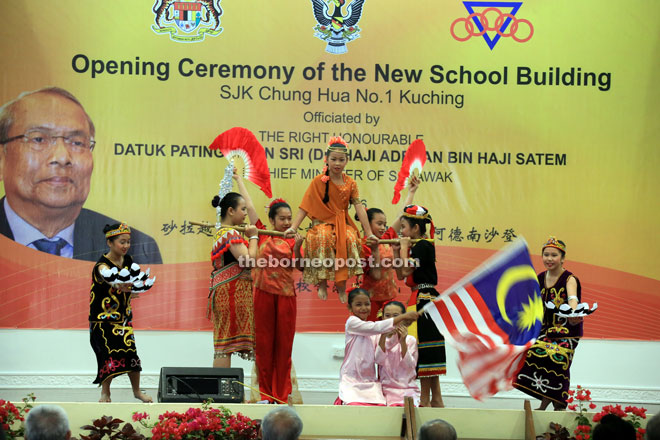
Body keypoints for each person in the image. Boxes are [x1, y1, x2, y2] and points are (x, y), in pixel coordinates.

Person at [0, 87, 161, 263]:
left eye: (77, 143)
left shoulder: (135, 249)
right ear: (2, 159)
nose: (62, 157)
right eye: (39, 139)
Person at [234, 169, 304, 403]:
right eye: (281, 218)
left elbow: (301, 266)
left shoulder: (294, 239)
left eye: (288, 218)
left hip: (286, 298)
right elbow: (250, 206)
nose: (286, 222)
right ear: (272, 220)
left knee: (284, 349)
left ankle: (282, 395)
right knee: (264, 347)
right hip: (262, 295)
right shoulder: (262, 234)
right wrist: (239, 181)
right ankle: (265, 394)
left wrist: (297, 246)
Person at [285, 136, 375, 303]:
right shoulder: (318, 181)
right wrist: (294, 228)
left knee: (349, 238)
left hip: (342, 223)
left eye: (341, 160)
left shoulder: (351, 183)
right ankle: (322, 282)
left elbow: (358, 207)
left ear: (347, 161)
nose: (337, 163)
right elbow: (305, 206)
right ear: (327, 159)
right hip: (321, 223)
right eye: (333, 159)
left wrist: (369, 233)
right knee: (322, 237)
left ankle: (342, 285)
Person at [513, 237, 583, 410]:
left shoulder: (569, 279)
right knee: (534, 354)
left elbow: (573, 298)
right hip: (546, 330)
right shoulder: (540, 278)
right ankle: (547, 403)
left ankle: (558, 404)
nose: (549, 259)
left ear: (562, 258)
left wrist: (573, 312)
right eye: (546, 255)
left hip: (568, 331)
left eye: (554, 255)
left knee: (556, 361)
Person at [89, 223, 152, 403]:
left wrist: (133, 290)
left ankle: (137, 392)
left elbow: (130, 283)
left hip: (123, 319)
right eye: (121, 242)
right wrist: (120, 286)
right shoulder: (102, 266)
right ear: (110, 242)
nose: (125, 246)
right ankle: (105, 393)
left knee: (131, 353)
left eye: (128, 242)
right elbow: (112, 280)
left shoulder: (129, 261)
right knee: (108, 355)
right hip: (103, 320)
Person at [394, 205, 446, 407]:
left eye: (404, 228)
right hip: (417, 298)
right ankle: (435, 399)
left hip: (426, 299)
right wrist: (398, 251)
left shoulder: (423, 245)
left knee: (426, 350)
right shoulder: (416, 247)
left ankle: (427, 400)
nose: (401, 232)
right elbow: (401, 275)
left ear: (416, 228)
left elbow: (406, 270)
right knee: (422, 349)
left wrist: (405, 248)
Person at [337, 288, 419, 405]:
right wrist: (402, 318)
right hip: (351, 379)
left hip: (370, 381)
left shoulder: (380, 334)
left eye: (367, 304)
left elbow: (387, 347)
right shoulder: (352, 323)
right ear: (350, 308)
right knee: (354, 406)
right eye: (358, 304)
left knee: (377, 409)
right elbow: (376, 327)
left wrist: (399, 335)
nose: (364, 308)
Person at [358, 175, 420, 321]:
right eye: (378, 223)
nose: (382, 227)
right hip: (370, 300)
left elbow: (401, 216)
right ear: (367, 224)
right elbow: (376, 275)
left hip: (390, 298)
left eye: (384, 224)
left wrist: (411, 192)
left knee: (390, 337)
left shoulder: (386, 238)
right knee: (372, 337)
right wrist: (374, 250)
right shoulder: (363, 246)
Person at [209, 191, 259, 368]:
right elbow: (248, 260)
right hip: (230, 292)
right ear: (231, 210)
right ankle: (224, 392)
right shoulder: (229, 233)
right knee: (224, 345)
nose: (245, 213)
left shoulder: (227, 232)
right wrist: (253, 237)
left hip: (231, 291)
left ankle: (225, 392)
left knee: (224, 345)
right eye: (242, 209)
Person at [376, 300, 421, 406]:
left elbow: (409, 366)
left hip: (406, 389)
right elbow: (378, 360)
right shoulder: (378, 338)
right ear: (382, 318)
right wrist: (383, 336)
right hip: (384, 390)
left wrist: (402, 342)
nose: (392, 319)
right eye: (387, 315)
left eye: (396, 315)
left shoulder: (410, 340)